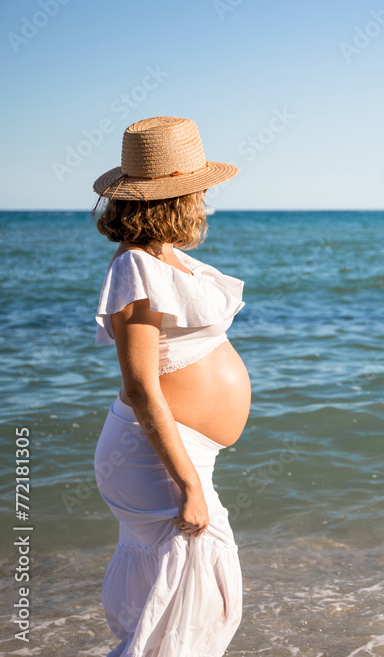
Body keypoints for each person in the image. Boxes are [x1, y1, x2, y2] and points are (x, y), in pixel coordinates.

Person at [91, 116, 247, 656]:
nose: (205, 197)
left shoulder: (165, 257)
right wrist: (188, 486)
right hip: (156, 457)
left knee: (195, 609)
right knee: (189, 614)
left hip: (178, 451)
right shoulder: (135, 265)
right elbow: (139, 386)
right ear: (175, 196)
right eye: (198, 188)